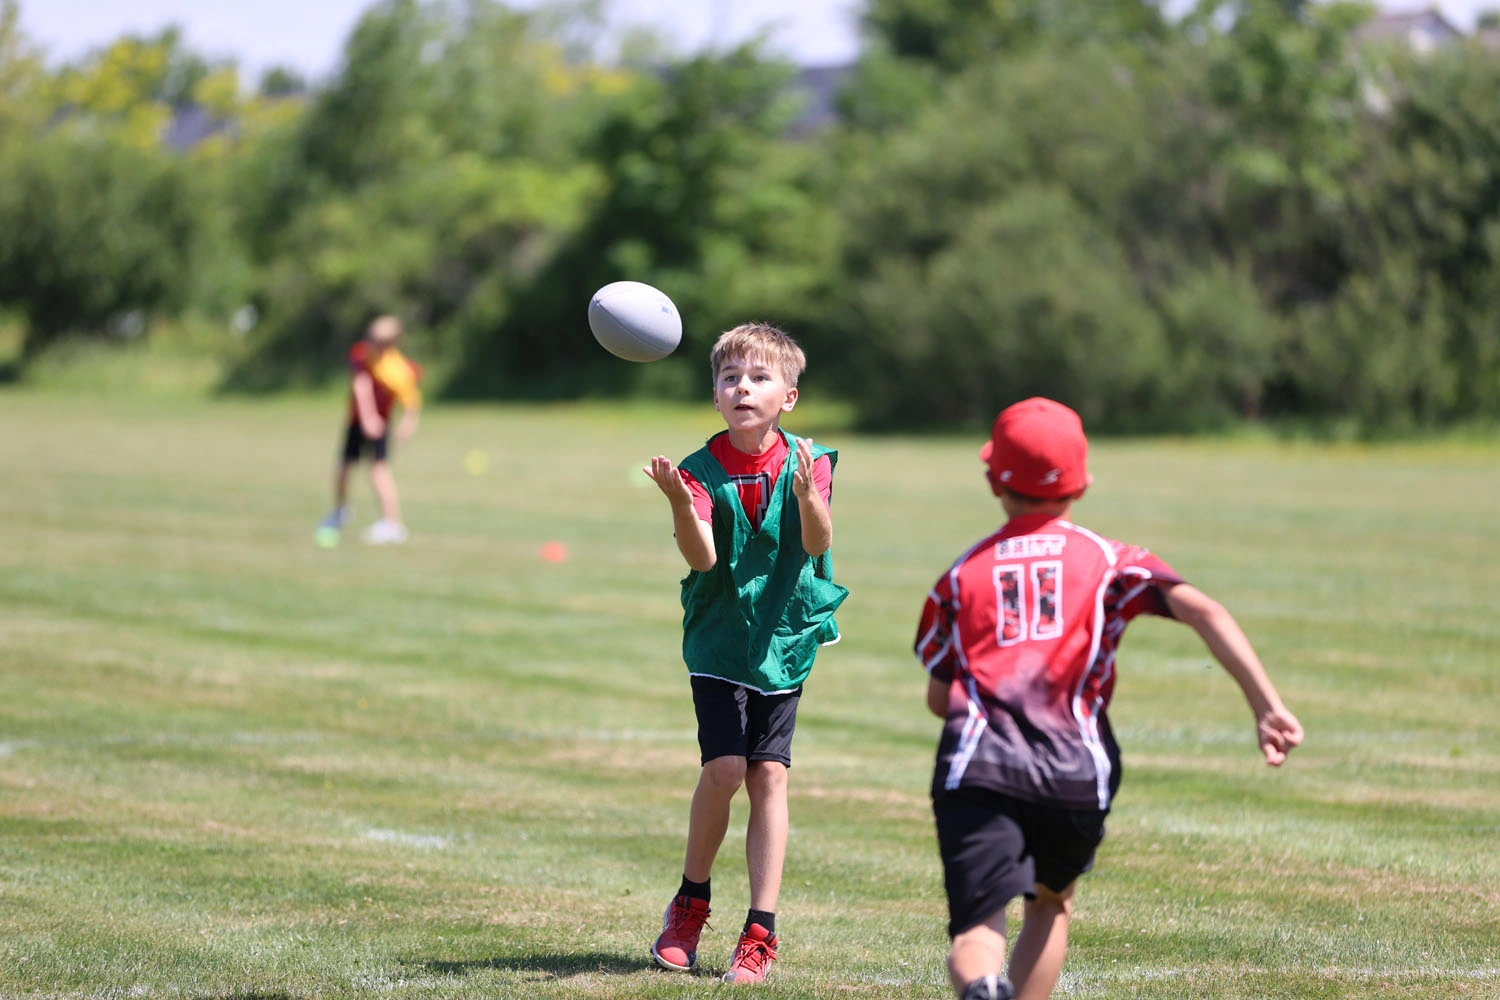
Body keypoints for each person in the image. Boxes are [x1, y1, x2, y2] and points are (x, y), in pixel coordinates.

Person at [915, 397, 1303, 1000]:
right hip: (1076, 773)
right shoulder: (1110, 561)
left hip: (980, 769)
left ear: (995, 480)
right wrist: (1265, 704)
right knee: (1050, 904)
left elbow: (941, 699)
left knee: (978, 927)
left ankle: (983, 987)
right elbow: (1203, 608)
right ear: (1083, 482)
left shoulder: (963, 575)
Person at [642, 323, 849, 984]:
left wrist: (811, 496)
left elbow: (816, 544)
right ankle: (690, 904)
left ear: (788, 395)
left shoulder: (807, 459)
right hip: (721, 635)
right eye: (731, 378)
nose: (743, 388)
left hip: (783, 635)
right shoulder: (699, 470)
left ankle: (760, 933)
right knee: (727, 768)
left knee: (770, 776)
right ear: (715, 394)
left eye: (759, 378)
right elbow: (702, 557)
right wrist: (680, 503)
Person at [315, 315, 422, 547]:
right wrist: (366, 416)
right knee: (343, 468)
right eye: (371, 337)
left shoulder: (398, 369)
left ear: (391, 343)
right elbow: (360, 386)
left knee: (378, 471)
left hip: (380, 425)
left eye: (378, 340)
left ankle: (392, 524)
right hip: (357, 421)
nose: (372, 342)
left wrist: (406, 425)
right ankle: (340, 511)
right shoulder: (362, 354)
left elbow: (411, 401)